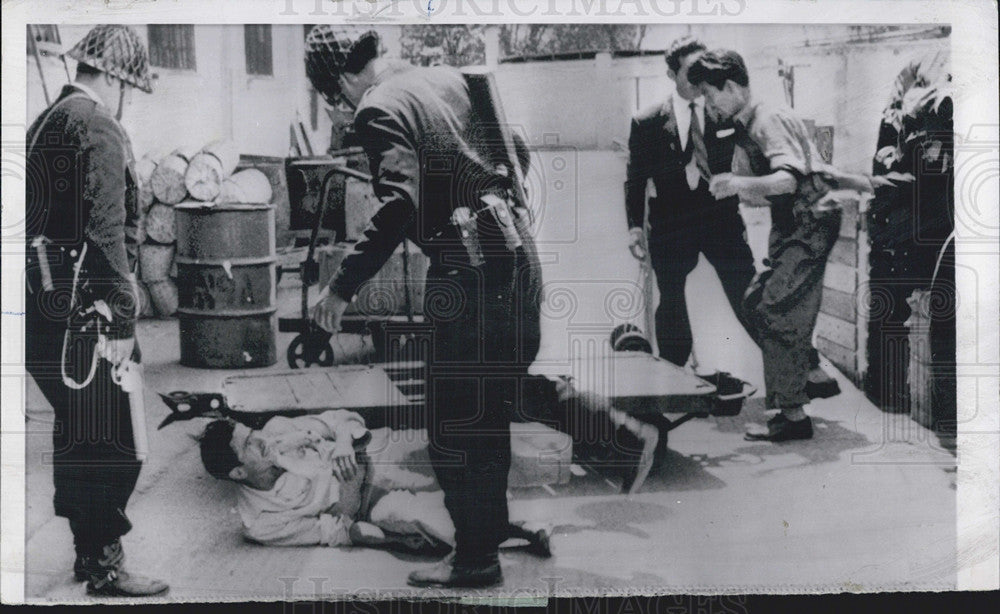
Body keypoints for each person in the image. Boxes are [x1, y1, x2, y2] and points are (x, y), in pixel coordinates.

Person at [302, 25, 657, 587]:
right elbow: (516, 152)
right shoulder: (450, 79)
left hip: (469, 278)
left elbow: (398, 202)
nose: (342, 108)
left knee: (454, 423)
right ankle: (603, 446)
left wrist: (341, 286)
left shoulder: (377, 108)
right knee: (490, 401)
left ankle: (476, 556)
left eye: (335, 98)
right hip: (518, 261)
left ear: (341, 80)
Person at [24, 25, 167, 596]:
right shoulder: (99, 126)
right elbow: (106, 231)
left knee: (80, 430)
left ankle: (90, 556)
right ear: (113, 76)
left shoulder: (45, 122)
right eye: (128, 85)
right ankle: (106, 565)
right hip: (88, 314)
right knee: (112, 439)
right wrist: (123, 319)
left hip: (41, 307)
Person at [198, 412, 552, 557]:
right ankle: (522, 532)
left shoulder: (275, 430)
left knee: (461, 467)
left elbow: (347, 420)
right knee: (424, 520)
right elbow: (332, 530)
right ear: (238, 473)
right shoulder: (260, 522)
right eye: (248, 446)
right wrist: (389, 538)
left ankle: (507, 519)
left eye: (252, 433)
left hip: (378, 455)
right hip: (369, 500)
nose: (260, 440)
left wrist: (340, 442)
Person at [624, 36, 756, 369]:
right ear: (671, 75)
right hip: (671, 224)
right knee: (671, 301)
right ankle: (672, 377)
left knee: (748, 295)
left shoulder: (724, 109)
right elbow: (635, 178)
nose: (700, 80)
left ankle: (791, 367)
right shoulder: (648, 120)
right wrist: (635, 227)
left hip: (721, 220)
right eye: (690, 72)